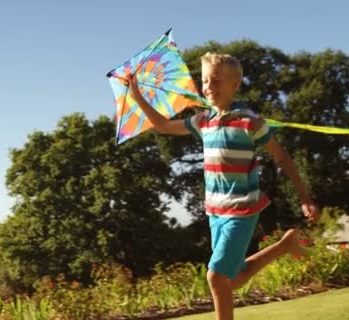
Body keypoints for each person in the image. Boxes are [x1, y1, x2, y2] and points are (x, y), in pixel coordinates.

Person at [127, 52, 321, 320]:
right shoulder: (203, 121)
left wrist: (304, 197)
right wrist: (137, 97)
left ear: (235, 85)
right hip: (215, 210)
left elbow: (282, 157)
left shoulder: (250, 121)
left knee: (215, 276)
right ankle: (284, 246)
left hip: (243, 209)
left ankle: (284, 247)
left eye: (216, 80)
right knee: (231, 280)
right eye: (206, 81)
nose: (209, 87)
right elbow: (162, 125)